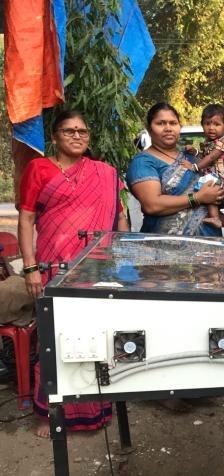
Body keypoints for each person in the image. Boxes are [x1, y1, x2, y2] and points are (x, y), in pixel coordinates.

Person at [18, 110, 129, 438]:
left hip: (95, 268)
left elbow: (119, 217)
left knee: (93, 335)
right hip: (52, 267)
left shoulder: (104, 173)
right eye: (69, 131)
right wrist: (30, 269)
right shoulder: (38, 169)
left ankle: (95, 409)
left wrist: (118, 257)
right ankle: (49, 412)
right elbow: (25, 220)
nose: (77, 136)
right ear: (55, 137)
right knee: (54, 338)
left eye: (82, 131)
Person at [127, 103, 224, 236]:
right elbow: (152, 205)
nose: (168, 128)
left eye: (173, 123)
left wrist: (219, 195)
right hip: (165, 248)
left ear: (180, 127)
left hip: (209, 245)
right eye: (161, 123)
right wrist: (198, 197)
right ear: (149, 129)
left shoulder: (192, 158)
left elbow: (215, 195)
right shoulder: (143, 162)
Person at [188, 104, 224, 237]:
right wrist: (195, 151)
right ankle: (221, 221)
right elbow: (205, 156)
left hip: (222, 176)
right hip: (213, 175)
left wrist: (195, 167)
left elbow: (212, 156)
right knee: (206, 193)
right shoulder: (208, 142)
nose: (211, 127)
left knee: (208, 190)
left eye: (216, 124)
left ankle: (215, 218)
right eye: (207, 123)